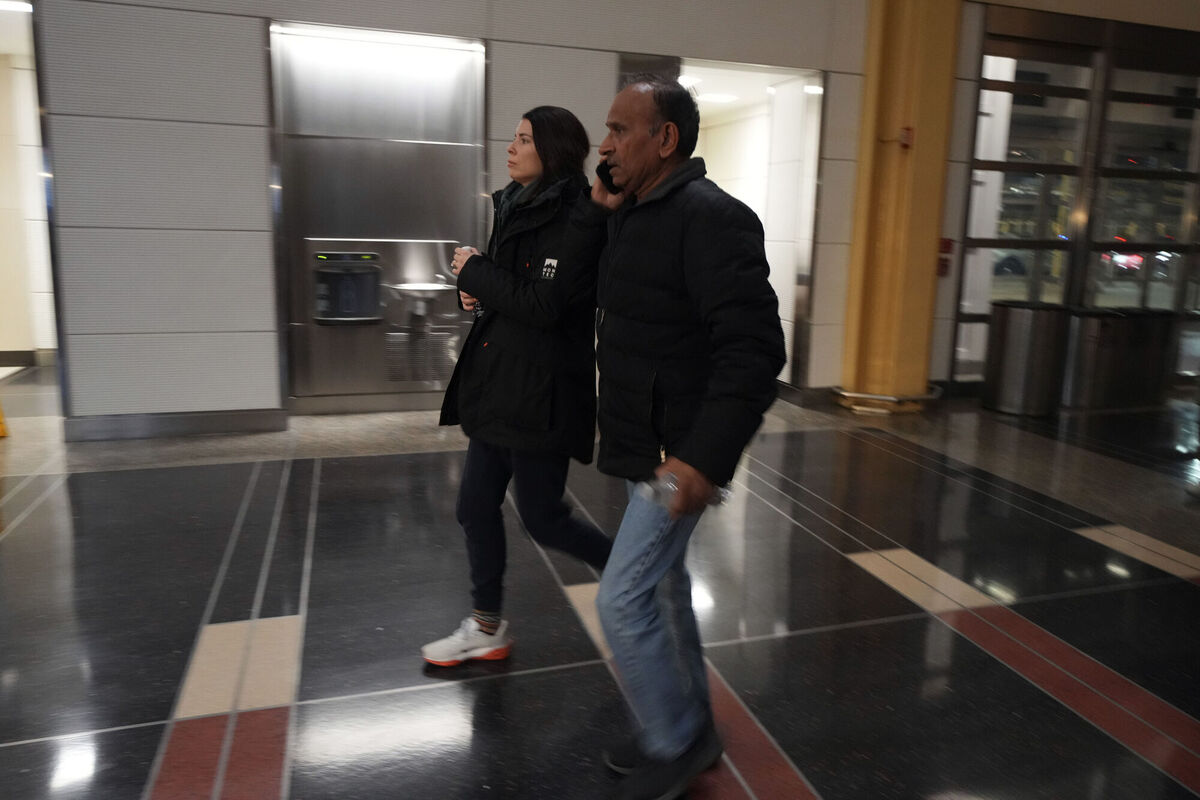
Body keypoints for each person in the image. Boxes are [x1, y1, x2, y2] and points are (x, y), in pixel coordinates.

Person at [586, 77, 786, 799]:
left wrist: (702, 459)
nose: (603, 145)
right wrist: (606, 210)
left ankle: (671, 741)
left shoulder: (711, 218)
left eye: (617, 130)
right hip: (648, 438)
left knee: (622, 598)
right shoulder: (637, 213)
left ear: (663, 139)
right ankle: (692, 728)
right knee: (665, 591)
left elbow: (754, 349)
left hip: (679, 449)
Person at [423, 106, 612, 667]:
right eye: (513, 137)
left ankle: (634, 571)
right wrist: (475, 293)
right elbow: (513, 289)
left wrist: (477, 273)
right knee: (474, 506)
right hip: (499, 383)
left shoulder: (579, 215)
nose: (510, 147)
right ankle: (486, 626)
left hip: (542, 392)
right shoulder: (513, 203)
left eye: (523, 139)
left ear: (550, 151)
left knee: (542, 517)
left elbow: (545, 304)